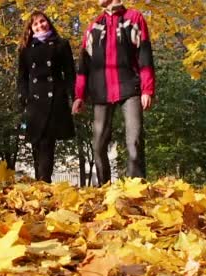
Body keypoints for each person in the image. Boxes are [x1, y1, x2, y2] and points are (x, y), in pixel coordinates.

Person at [72, 0, 156, 186]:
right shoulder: (94, 26)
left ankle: (137, 190)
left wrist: (147, 89)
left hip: (130, 87)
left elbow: (144, 54)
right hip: (101, 92)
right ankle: (104, 188)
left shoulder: (133, 18)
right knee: (98, 145)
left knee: (134, 141)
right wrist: (79, 95)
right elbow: (84, 65)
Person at [17, 11, 76, 183]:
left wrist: (75, 97)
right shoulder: (25, 49)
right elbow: (22, 76)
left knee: (47, 143)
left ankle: (44, 183)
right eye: (35, 24)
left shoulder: (61, 45)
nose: (40, 25)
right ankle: (40, 183)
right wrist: (23, 96)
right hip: (34, 102)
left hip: (54, 100)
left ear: (48, 22)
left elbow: (70, 74)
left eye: (42, 21)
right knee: (36, 143)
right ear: (31, 28)